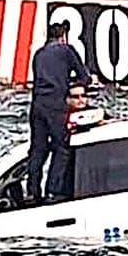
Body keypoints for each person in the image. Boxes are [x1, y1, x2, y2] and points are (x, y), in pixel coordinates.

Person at [27, 22, 94, 202]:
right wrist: (77, 84)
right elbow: (84, 77)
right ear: (63, 36)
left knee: (38, 149)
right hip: (56, 105)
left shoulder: (39, 54)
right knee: (61, 147)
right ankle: (53, 191)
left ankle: (32, 191)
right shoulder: (66, 50)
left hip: (37, 104)